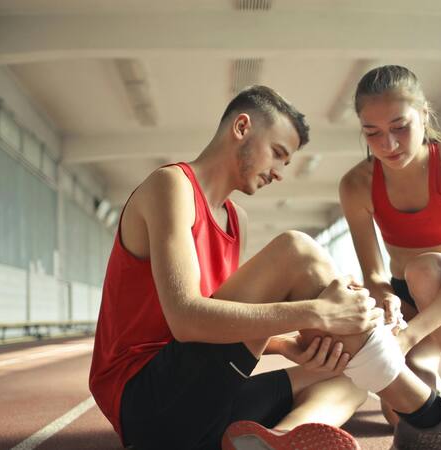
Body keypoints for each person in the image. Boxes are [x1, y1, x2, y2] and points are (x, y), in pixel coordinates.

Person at [89, 85, 380, 450]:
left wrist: (287, 345)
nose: (279, 173)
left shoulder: (236, 220)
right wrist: (317, 313)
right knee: (296, 249)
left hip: (202, 402)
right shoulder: (171, 186)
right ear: (242, 127)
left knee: (351, 379)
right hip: (147, 404)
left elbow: (224, 318)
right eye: (277, 153)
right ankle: (423, 404)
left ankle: (274, 441)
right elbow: (187, 320)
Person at [339, 64, 441, 425]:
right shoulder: (356, 185)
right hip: (407, 301)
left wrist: (410, 336)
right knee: (402, 417)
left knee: (426, 269)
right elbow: (375, 273)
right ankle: (430, 374)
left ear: (424, 115)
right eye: (372, 132)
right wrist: (384, 297)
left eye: (400, 127)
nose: (388, 144)